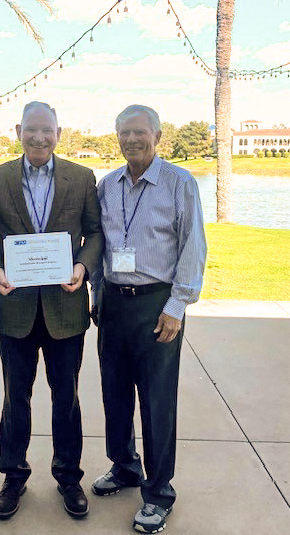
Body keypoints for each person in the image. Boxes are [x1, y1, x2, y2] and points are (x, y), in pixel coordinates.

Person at [0, 101, 103, 519]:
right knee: (17, 397)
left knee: (65, 398)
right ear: (18, 131)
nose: (39, 137)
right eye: (31, 130)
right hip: (14, 307)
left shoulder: (82, 177)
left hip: (65, 307)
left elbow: (95, 232)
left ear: (59, 133)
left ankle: (68, 477)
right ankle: (14, 475)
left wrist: (83, 266)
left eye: (46, 130)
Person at [91, 105, 206, 534]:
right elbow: (100, 243)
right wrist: (97, 293)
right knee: (114, 393)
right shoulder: (107, 185)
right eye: (124, 133)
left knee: (156, 401)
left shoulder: (179, 183)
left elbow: (193, 247)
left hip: (157, 304)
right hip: (113, 303)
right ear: (117, 137)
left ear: (157, 135)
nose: (132, 140)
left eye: (140, 132)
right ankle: (124, 467)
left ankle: (158, 493)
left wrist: (177, 307)